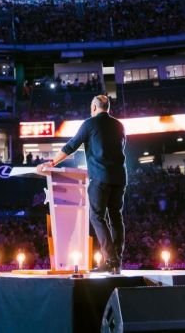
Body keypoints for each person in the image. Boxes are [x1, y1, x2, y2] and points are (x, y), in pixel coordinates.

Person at [36, 94, 126, 274]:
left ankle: (111, 260)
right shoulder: (119, 125)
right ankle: (116, 260)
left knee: (96, 216)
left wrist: (51, 163)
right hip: (120, 177)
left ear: (94, 108)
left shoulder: (89, 124)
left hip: (100, 177)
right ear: (107, 107)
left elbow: (71, 145)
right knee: (116, 217)